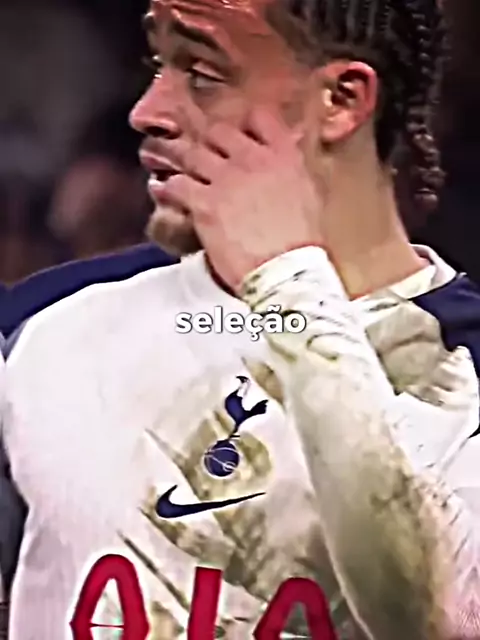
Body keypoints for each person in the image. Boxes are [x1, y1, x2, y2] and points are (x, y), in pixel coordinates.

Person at [3, 0, 479, 639]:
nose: (147, 111)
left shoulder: (461, 366)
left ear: (341, 100)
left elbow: (436, 620)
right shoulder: (48, 322)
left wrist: (288, 284)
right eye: (157, 63)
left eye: (202, 74)